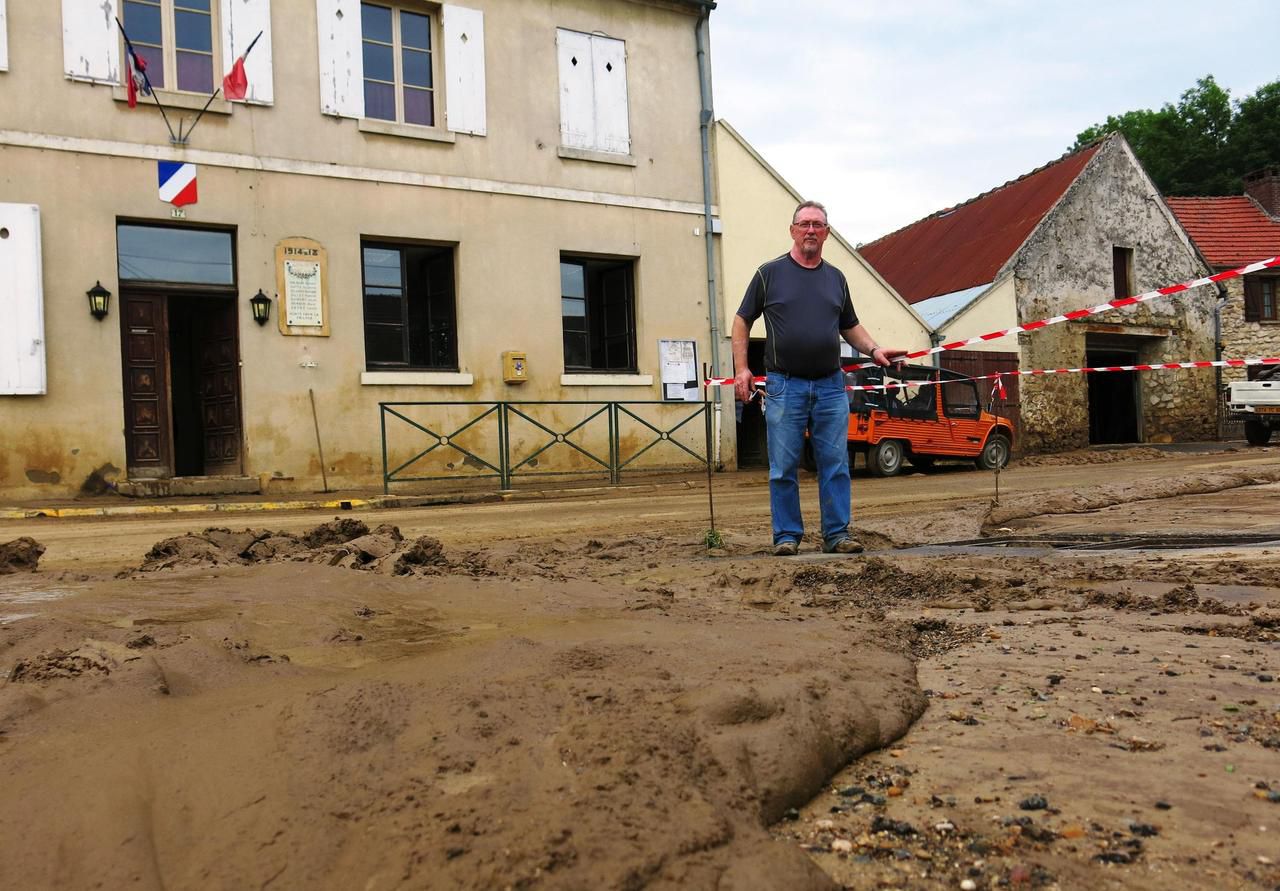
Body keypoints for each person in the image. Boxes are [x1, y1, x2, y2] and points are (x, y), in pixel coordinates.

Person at [731, 200, 905, 556]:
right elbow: (741, 320)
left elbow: (850, 326)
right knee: (783, 467)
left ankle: (837, 534)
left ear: (827, 233)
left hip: (829, 385)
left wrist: (874, 351)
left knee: (836, 463)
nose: (811, 230)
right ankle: (786, 537)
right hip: (784, 385)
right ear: (793, 230)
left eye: (818, 225)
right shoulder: (769, 274)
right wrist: (742, 369)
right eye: (805, 223)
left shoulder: (836, 279)